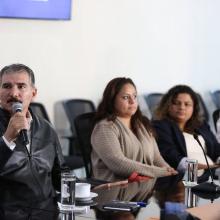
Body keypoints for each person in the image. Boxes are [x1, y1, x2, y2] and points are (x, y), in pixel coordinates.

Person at [0, 64, 66, 220]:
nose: (14, 93)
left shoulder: (46, 128)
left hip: (46, 213)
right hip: (8, 213)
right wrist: (7, 137)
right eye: (6, 86)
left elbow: (60, 173)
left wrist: (90, 187)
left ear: (33, 93)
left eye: (21, 86)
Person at [91, 77, 177, 182]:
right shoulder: (105, 128)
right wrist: (159, 172)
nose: (132, 101)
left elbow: (156, 157)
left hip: (144, 191)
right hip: (115, 193)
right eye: (126, 97)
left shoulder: (142, 125)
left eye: (135, 96)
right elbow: (118, 164)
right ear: (112, 100)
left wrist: (169, 170)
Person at [152, 85, 220, 180]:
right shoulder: (160, 126)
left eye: (187, 104)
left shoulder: (201, 125)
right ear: (168, 105)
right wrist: (210, 168)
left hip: (213, 176)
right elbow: (170, 156)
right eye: (176, 103)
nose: (182, 107)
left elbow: (216, 149)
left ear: (194, 107)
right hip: (185, 179)